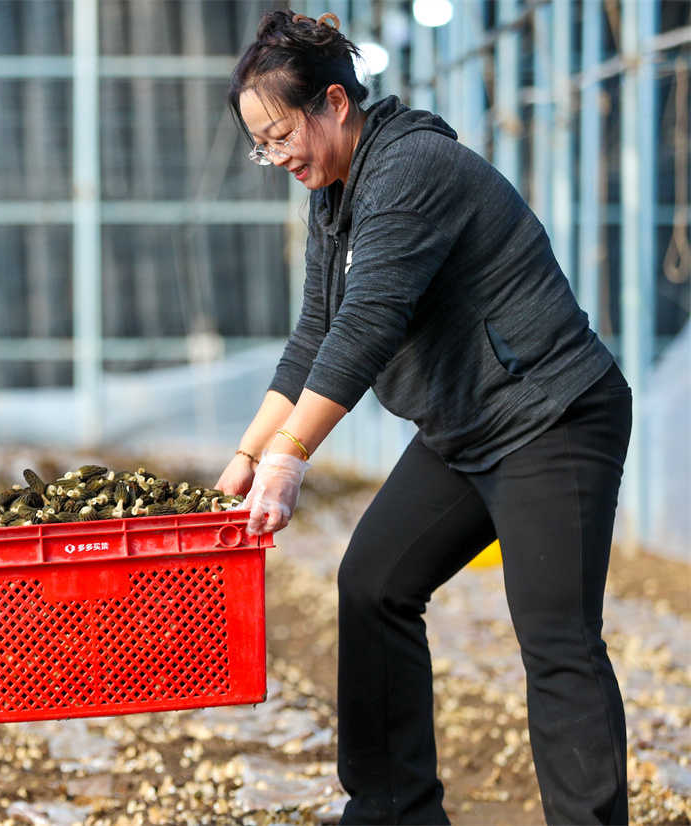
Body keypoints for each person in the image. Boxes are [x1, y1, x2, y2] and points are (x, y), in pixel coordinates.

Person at [216, 10, 631, 825]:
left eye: (280, 133)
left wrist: (292, 455)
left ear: (335, 102)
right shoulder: (334, 193)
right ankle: (391, 810)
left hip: (553, 415)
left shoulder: (411, 170)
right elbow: (316, 333)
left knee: (556, 641)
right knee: (374, 583)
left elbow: (367, 324)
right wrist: (247, 454)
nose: (276, 156)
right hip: (470, 427)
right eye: (261, 145)